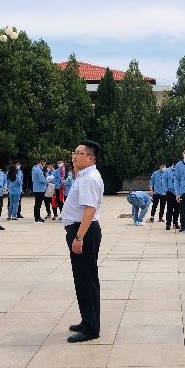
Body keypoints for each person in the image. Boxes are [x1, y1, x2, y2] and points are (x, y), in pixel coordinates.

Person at [62, 140, 104, 343]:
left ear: (90, 158)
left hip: (83, 231)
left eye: (79, 153)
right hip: (81, 230)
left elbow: (89, 209)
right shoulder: (84, 175)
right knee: (84, 278)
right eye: (74, 152)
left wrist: (79, 237)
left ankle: (91, 328)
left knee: (86, 279)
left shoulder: (89, 178)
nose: (74, 156)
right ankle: (88, 320)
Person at [164, 162, 179, 230]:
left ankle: (175, 223)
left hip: (178, 192)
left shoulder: (180, 170)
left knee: (177, 208)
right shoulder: (167, 171)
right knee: (170, 208)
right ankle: (168, 223)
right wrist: (166, 190)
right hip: (170, 192)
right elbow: (164, 180)